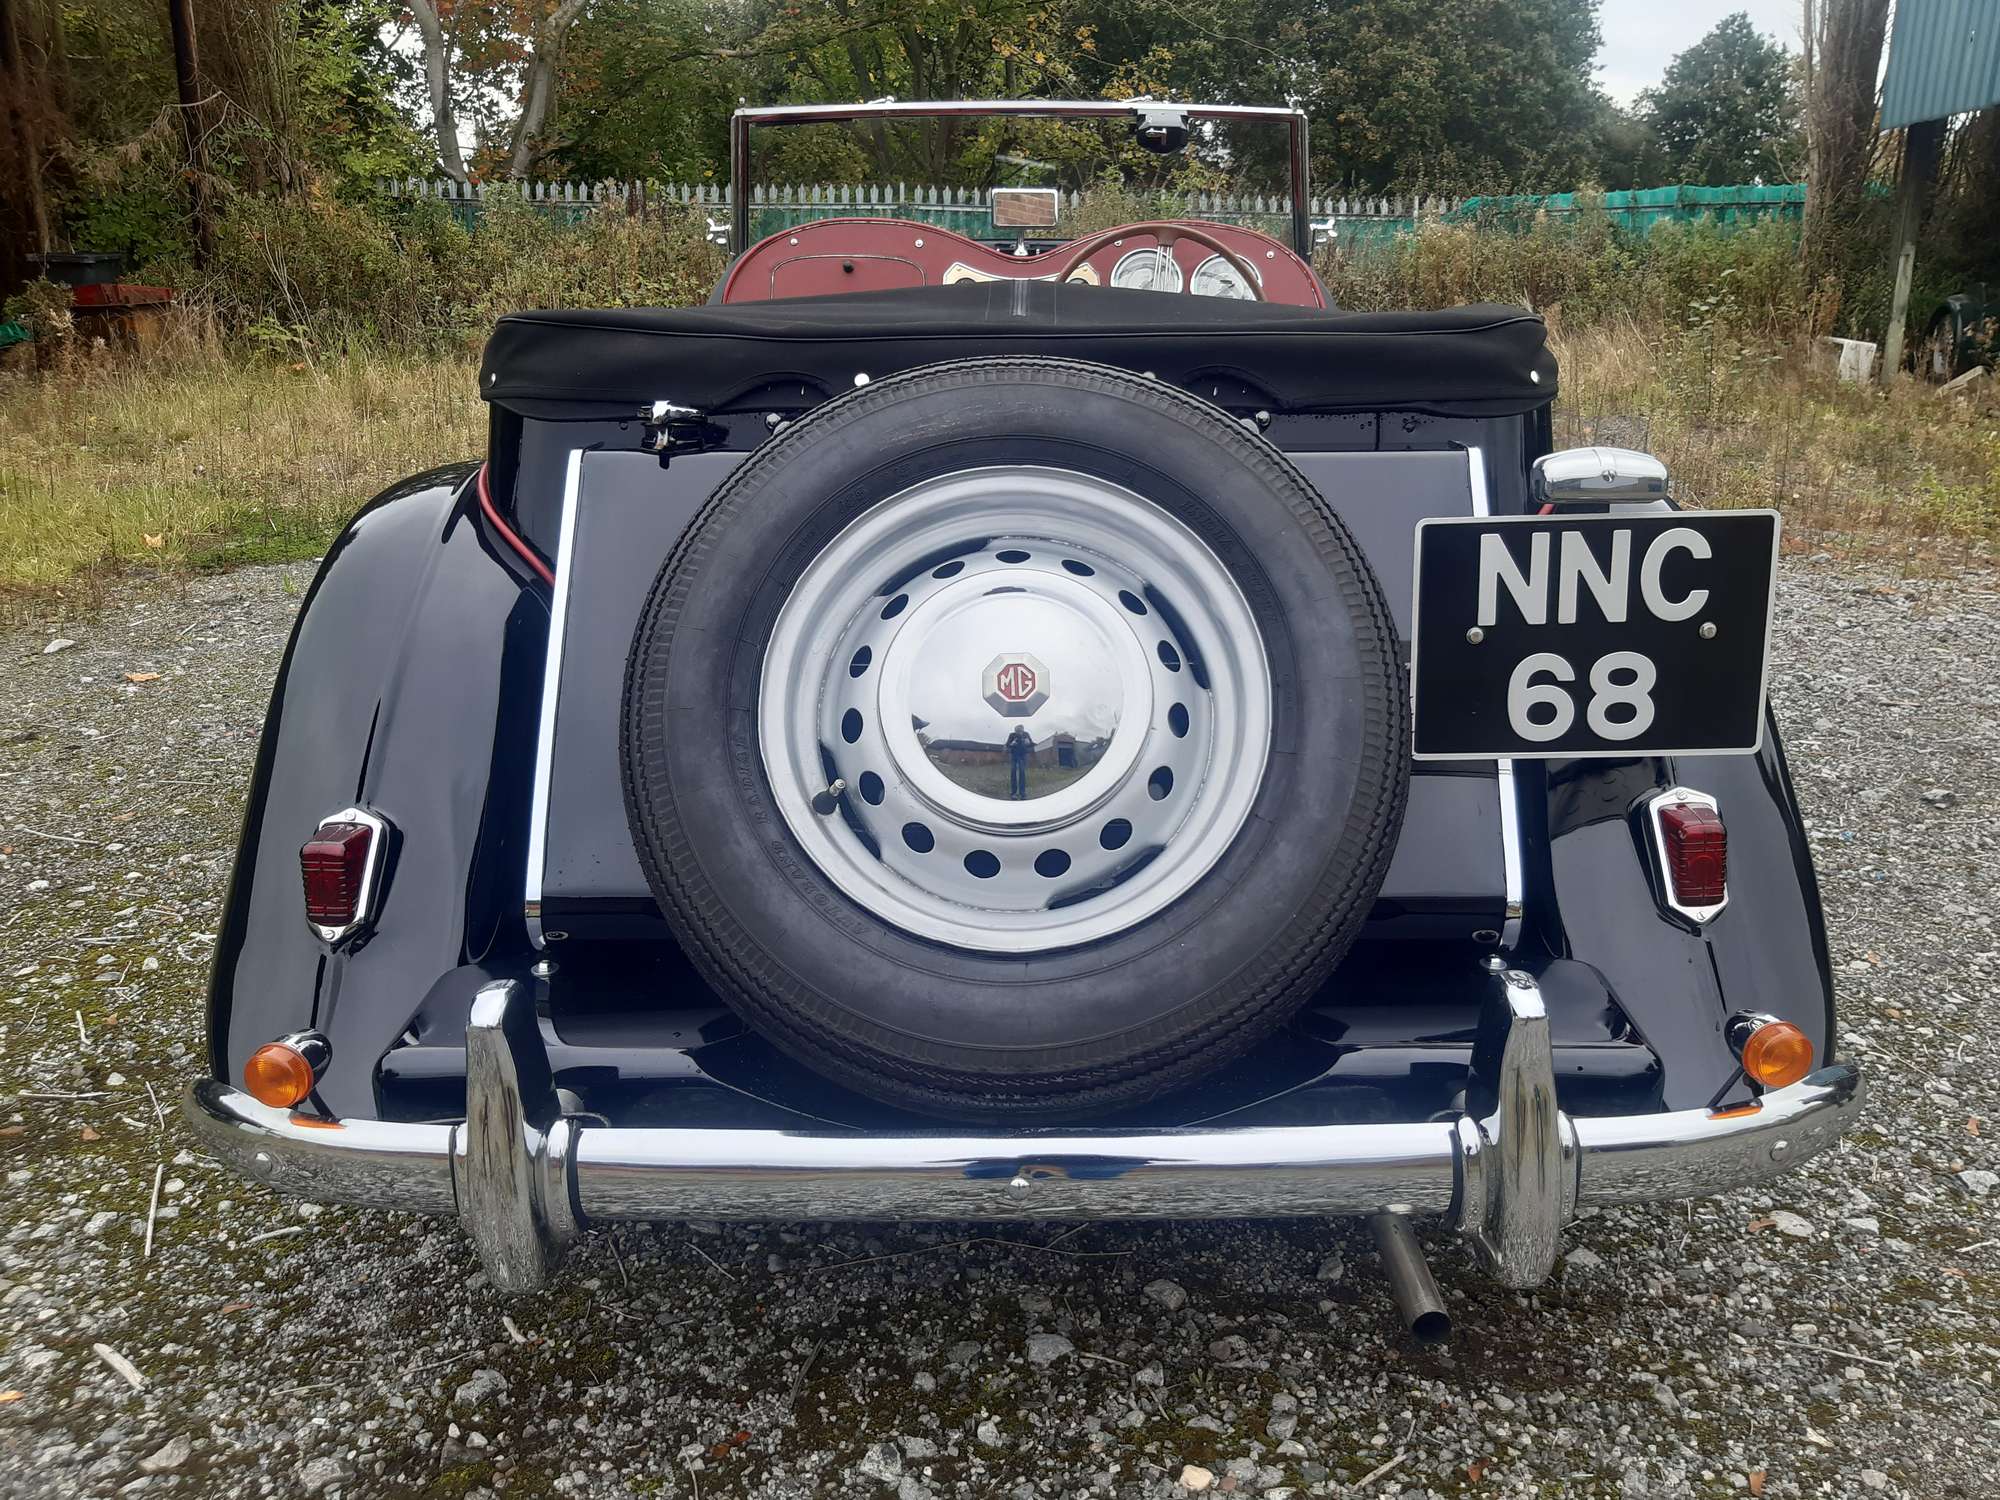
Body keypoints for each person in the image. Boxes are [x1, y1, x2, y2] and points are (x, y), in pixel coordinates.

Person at [1006, 725, 1034, 799]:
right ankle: (1013, 793)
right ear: (1015, 731)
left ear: (1023, 730)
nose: (1019, 733)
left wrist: (1028, 743)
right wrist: (1012, 744)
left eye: (1020, 731)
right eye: (1017, 731)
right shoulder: (1012, 735)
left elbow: (1031, 744)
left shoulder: (1026, 734)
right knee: (1013, 772)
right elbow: (1007, 744)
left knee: (1022, 773)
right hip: (1014, 755)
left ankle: (1022, 793)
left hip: (1022, 755)